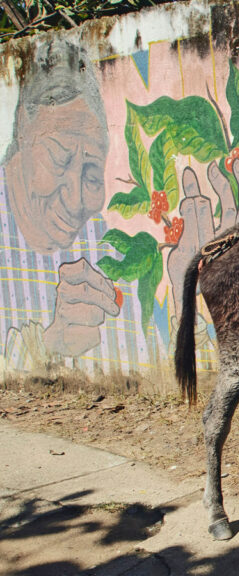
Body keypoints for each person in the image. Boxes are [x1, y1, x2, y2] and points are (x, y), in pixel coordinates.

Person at [0, 40, 149, 374]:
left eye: (92, 175)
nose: (75, 200)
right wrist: (48, 345)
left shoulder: (106, 244)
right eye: (57, 157)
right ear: (24, 129)